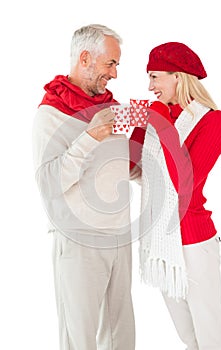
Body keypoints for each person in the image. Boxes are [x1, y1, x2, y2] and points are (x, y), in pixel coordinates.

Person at [32, 24, 135, 350]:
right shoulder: (50, 113)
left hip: (120, 237)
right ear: (86, 58)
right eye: (111, 64)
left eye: (117, 64)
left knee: (121, 337)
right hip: (79, 240)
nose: (115, 74)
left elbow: (120, 169)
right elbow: (48, 182)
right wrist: (90, 137)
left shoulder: (110, 109)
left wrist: (148, 154)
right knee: (80, 339)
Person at [129, 42, 221, 349]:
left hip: (194, 243)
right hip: (160, 241)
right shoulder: (154, 114)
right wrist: (130, 127)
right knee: (188, 336)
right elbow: (130, 167)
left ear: (178, 76)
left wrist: (159, 120)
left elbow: (184, 183)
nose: (150, 87)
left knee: (209, 333)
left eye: (155, 77)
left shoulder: (214, 120)